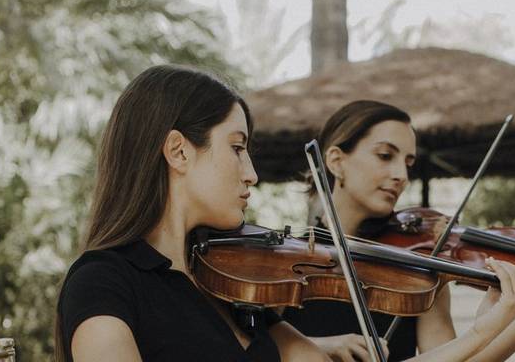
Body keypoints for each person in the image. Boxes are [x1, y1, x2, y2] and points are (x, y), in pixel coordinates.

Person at [283, 100, 515, 362]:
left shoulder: (421, 263)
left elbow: (458, 359)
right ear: (336, 161)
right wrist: (317, 347)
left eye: (408, 162)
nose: (400, 174)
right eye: (385, 156)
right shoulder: (278, 262)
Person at [54, 65, 326, 362]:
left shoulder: (231, 285)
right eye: (236, 148)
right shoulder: (102, 283)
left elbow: (307, 357)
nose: (251, 174)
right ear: (178, 152)